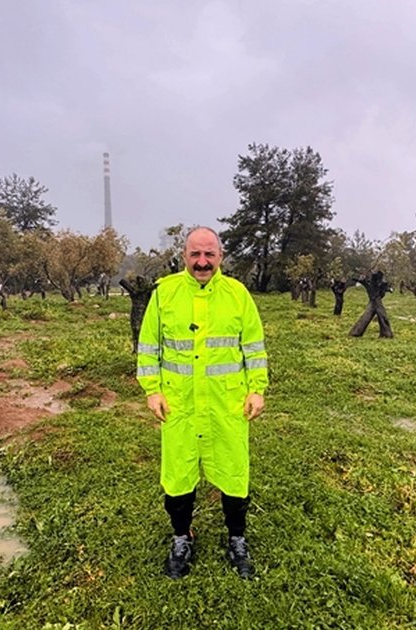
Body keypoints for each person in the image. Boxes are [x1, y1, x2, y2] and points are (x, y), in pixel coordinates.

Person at [135, 226, 268, 580]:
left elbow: (253, 348)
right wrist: (152, 390)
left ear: (220, 256)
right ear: (184, 256)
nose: (202, 261)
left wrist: (257, 389)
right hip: (179, 406)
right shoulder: (164, 294)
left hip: (227, 405)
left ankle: (237, 539)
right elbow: (148, 348)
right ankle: (182, 537)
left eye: (209, 254)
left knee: (234, 475)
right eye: (195, 254)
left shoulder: (237, 295)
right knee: (178, 477)